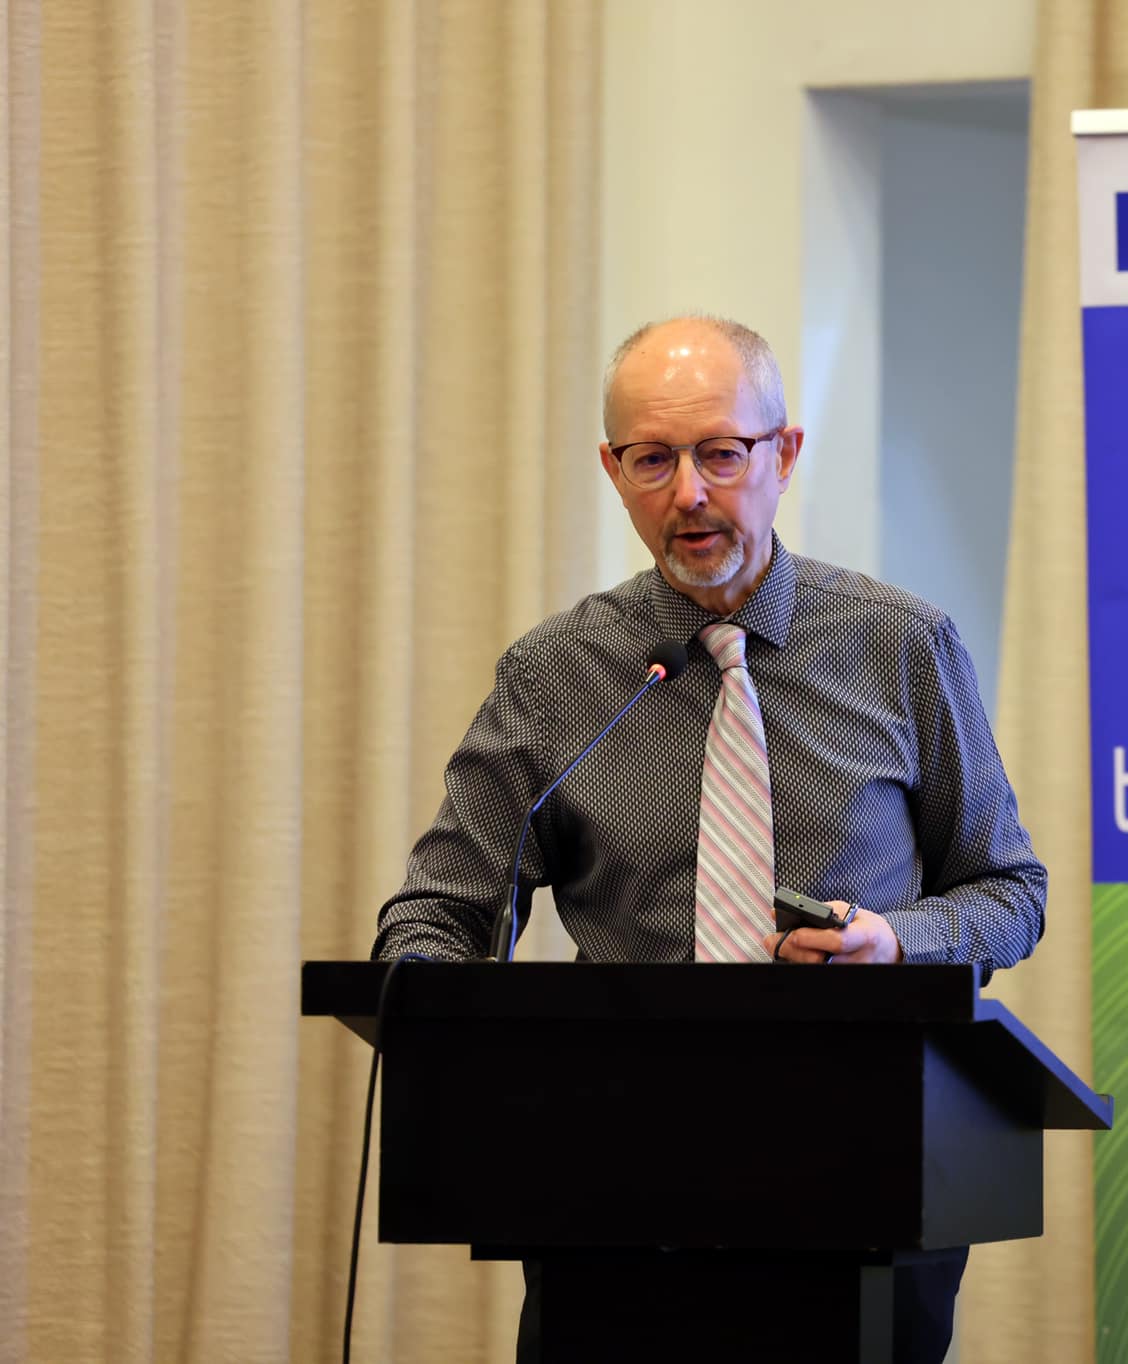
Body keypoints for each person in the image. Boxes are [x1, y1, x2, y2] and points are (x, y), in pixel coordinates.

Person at [372, 314, 1047, 1363]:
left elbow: (1008, 890)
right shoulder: (555, 675)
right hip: (609, 1187)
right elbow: (439, 910)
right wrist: (438, 1011)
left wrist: (895, 943)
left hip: (865, 1167)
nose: (688, 491)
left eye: (721, 453)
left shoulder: (900, 646)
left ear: (783, 454)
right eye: (652, 459)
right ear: (613, 471)